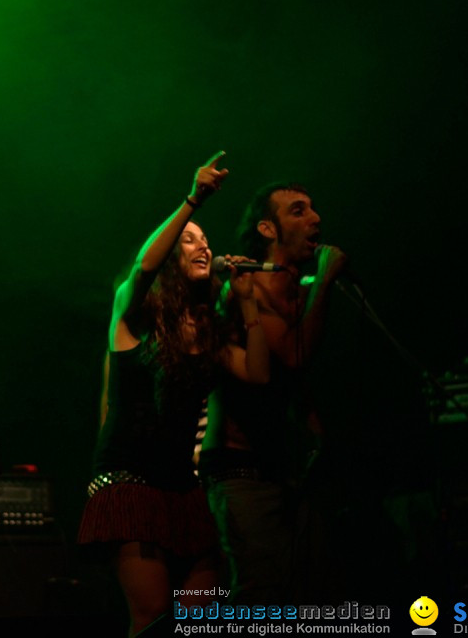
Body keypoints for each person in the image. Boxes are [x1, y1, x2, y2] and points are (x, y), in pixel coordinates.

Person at [77, 153, 269, 636]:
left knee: (200, 620)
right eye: (189, 241)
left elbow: (259, 373)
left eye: (206, 240)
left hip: (183, 489)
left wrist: (248, 306)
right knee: (153, 616)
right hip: (130, 483)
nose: (203, 247)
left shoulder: (206, 327)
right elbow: (145, 265)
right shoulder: (133, 311)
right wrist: (193, 202)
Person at [199, 181, 347, 607]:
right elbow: (294, 356)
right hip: (241, 471)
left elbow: (292, 380)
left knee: (308, 593)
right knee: (261, 594)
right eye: (298, 211)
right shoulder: (250, 288)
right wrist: (325, 285)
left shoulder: (296, 288)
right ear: (267, 228)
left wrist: (314, 426)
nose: (315, 219)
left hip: (285, 469)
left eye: (313, 209)